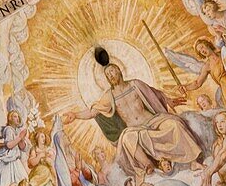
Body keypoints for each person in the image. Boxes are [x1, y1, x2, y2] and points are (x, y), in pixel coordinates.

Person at [62, 63, 201, 175]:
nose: (111, 75)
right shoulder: (109, 96)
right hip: (135, 129)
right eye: (108, 74)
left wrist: (167, 100)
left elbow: (154, 93)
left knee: (174, 124)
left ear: (119, 71)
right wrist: (75, 115)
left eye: (112, 71)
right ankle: (148, 165)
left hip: (153, 120)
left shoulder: (135, 84)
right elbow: (93, 112)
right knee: (127, 138)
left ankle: (193, 160)